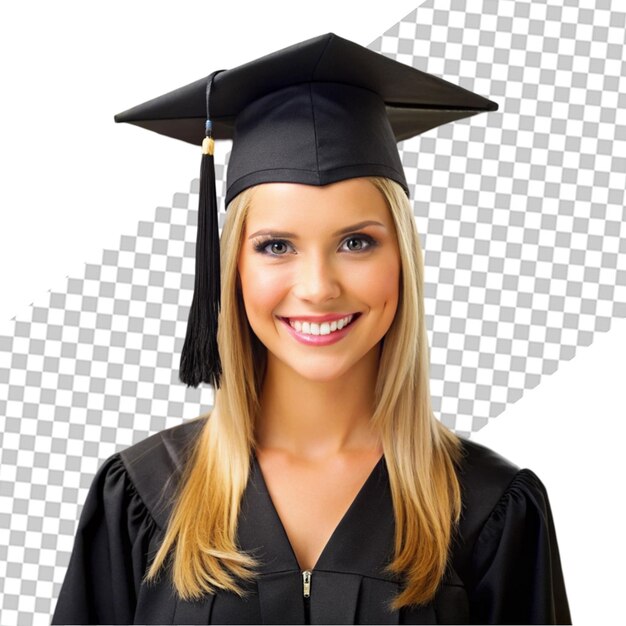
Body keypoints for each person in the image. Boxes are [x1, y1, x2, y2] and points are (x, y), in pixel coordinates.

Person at [51, 33, 571, 624]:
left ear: (402, 259)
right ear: (232, 270)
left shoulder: (487, 510)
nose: (319, 286)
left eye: (357, 242)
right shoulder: (144, 498)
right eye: (276, 246)